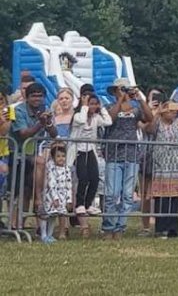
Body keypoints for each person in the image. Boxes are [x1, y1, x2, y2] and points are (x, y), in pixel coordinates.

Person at [103, 81, 153, 238]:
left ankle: (120, 228)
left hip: (131, 156)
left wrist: (139, 98)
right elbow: (110, 119)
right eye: (121, 89)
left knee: (127, 195)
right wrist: (120, 99)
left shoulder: (136, 108)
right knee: (112, 193)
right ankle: (108, 227)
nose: (124, 92)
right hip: (113, 156)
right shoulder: (108, 107)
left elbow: (149, 118)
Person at [10, 82, 58, 228]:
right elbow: (24, 134)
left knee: (26, 190)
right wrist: (40, 122)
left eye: (40, 96)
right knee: (40, 162)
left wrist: (48, 123)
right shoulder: (19, 111)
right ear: (27, 97)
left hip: (33, 155)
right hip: (15, 154)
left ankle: (18, 226)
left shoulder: (46, 109)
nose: (37, 99)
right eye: (33, 96)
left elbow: (55, 134)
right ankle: (38, 202)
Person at [145, 100, 178, 238]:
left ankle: (173, 229)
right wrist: (158, 113)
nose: (174, 113)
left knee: (176, 198)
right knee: (162, 198)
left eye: (175, 110)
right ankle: (161, 228)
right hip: (162, 165)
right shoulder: (158, 122)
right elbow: (149, 129)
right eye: (171, 110)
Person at [70, 92, 112, 229]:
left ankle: (88, 204)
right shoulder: (77, 116)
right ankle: (80, 204)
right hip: (78, 150)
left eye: (95, 104)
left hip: (90, 150)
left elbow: (108, 121)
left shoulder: (96, 118)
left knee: (94, 178)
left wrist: (102, 108)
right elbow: (82, 120)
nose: (92, 107)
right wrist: (84, 106)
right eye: (91, 104)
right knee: (83, 177)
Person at [39, 141, 72, 244]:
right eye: (58, 156)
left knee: (55, 215)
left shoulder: (67, 169)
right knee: (46, 215)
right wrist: (55, 198)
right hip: (51, 196)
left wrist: (69, 200)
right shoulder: (51, 167)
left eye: (63, 156)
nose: (61, 158)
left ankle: (50, 234)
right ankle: (43, 235)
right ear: (53, 157)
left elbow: (69, 185)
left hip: (63, 196)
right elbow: (51, 183)